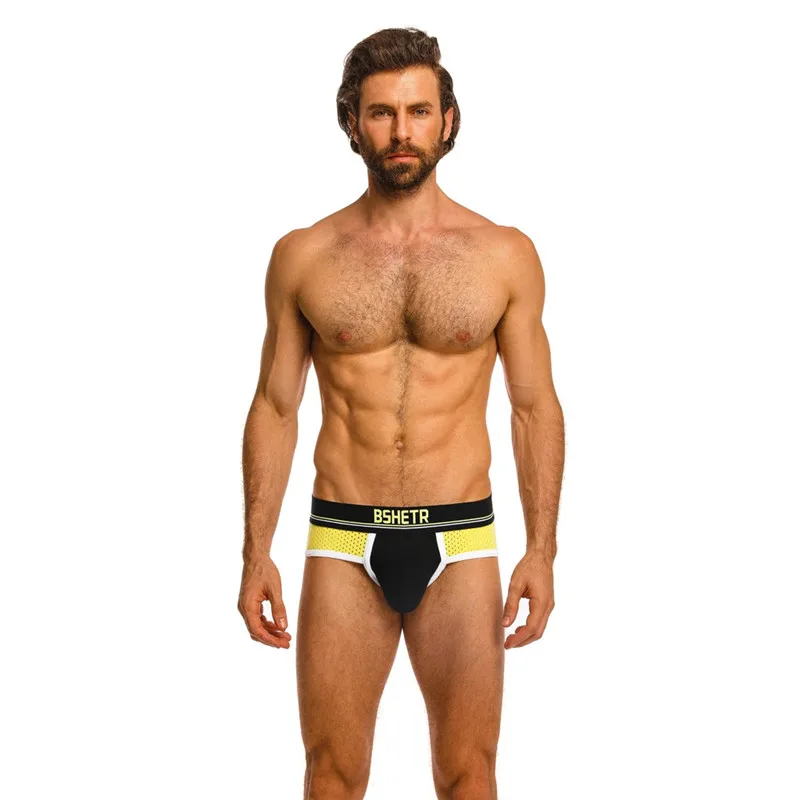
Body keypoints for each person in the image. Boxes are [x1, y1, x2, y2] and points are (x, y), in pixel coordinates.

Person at [238, 26, 565, 800]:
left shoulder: (504, 254)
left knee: (468, 775)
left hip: (461, 540)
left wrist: (542, 551)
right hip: (344, 539)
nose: (401, 132)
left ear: (447, 120)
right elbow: (276, 407)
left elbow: (532, 407)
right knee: (332, 775)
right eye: (382, 113)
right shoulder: (304, 255)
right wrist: (255, 552)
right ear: (352, 122)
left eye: (418, 111)